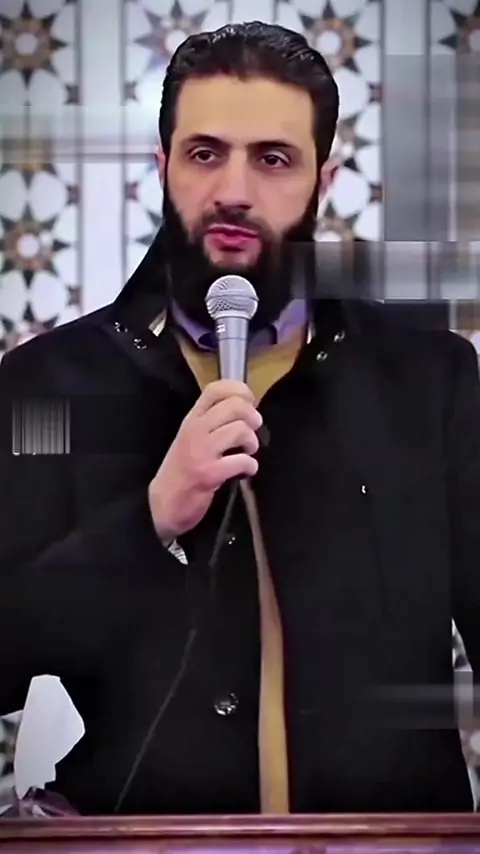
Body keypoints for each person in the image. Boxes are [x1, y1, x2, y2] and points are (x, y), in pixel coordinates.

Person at [0, 20, 480, 817]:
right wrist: (150, 518)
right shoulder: (46, 389)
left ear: (323, 180)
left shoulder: (428, 381)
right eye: (204, 154)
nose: (233, 190)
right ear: (163, 167)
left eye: (273, 159)